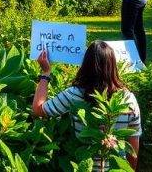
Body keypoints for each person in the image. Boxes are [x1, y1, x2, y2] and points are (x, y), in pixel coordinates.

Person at [33, 40, 141, 170]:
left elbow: (39, 110)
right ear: (113, 65)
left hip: (84, 167)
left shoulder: (73, 94)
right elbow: (133, 144)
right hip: (116, 167)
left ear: (86, 64)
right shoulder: (128, 99)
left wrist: (45, 74)